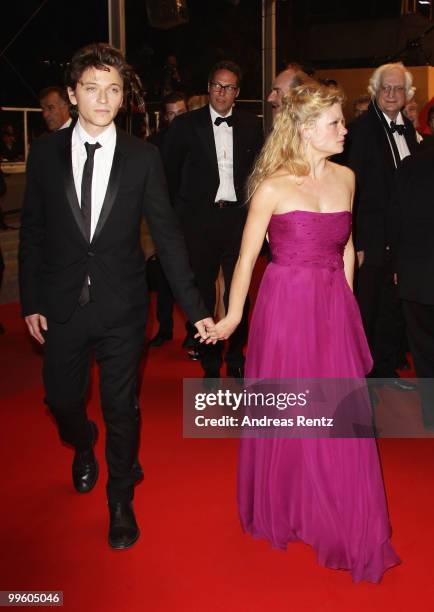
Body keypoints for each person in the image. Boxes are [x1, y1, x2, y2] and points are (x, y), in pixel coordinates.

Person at [19, 43, 214, 550]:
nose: (102, 99)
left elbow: (167, 238)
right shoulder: (44, 154)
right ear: (72, 93)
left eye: (113, 89)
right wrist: (31, 300)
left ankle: (120, 498)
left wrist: (195, 311)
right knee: (62, 400)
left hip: (123, 307)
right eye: (91, 88)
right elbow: (33, 233)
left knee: (121, 407)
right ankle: (83, 445)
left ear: (123, 96)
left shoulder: (143, 157)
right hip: (61, 306)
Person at [208, 83, 400, 582]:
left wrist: (349, 309)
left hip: (332, 304)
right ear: (306, 129)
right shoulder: (272, 185)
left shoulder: (348, 178)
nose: (343, 129)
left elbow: (345, 246)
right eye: (335, 123)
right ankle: (288, 500)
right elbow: (247, 259)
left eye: (341, 121)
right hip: (285, 306)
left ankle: (335, 508)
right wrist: (231, 318)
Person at [163, 60, 263, 380]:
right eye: (217, 86)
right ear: (208, 88)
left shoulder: (251, 125)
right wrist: (179, 219)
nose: (222, 93)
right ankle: (209, 362)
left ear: (238, 92)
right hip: (199, 222)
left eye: (229, 87)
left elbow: (259, 174)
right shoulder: (185, 125)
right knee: (202, 294)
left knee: (239, 291)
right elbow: (170, 175)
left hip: (238, 221)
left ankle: (235, 355)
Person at [346, 62, 419, 385]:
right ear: (375, 92)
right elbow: (352, 190)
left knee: (395, 305)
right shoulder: (360, 131)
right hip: (372, 236)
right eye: (386, 88)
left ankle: (387, 367)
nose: (391, 94)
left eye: (398, 89)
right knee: (369, 308)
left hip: (407, 239)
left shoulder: (412, 131)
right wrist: (357, 241)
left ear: (407, 95)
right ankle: (366, 375)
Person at [392, 148, 434, 428]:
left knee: (423, 345)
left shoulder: (412, 163)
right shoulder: (411, 164)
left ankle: (431, 413)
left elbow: (396, 217)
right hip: (415, 269)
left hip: (416, 271)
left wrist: (397, 264)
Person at [147, 92, 188, 347]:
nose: (174, 120)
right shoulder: (153, 144)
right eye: (170, 114)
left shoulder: (198, 138)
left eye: (179, 114)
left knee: (193, 276)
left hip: (192, 218)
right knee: (163, 276)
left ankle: (195, 332)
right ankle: (164, 328)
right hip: (163, 219)